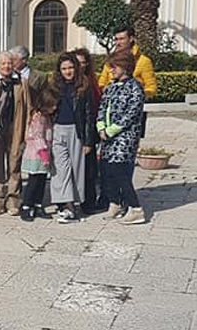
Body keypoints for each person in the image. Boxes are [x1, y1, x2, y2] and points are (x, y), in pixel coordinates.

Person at [97, 50, 147, 224]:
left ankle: (135, 208)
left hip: (125, 137)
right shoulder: (111, 87)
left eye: (114, 66)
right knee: (106, 170)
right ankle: (115, 203)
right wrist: (101, 126)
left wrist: (111, 130)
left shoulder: (135, 87)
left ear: (125, 67)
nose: (111, 70)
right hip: (107, 137)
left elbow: (131, 114)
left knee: (120, 172)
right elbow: (102, 107)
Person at [49, 52, 96, 223]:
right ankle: (64, 203)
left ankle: (72, 205)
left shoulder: (84, 87)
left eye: (70, 68)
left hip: (76, 132)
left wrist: (88, 141)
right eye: (64, 68)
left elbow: (89, 114)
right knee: (60, 168)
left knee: (76, 169)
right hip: (58, 130)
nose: (67, 71)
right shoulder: (54, 86)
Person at [0, 52, 31, 216]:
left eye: (9, 63)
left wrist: (27, 131)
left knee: (14, 165)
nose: (6, 66)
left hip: (15, 129)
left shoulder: (21, 83)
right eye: (3, 63)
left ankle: (13, 199)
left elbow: (28, 108)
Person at [20, 88, 56, 221]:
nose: (54, 107)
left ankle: (38, 204)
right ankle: (26, 206)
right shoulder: (38, 117)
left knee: (41, 181)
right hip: (37, 155)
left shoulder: (47, 117)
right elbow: (36, 136)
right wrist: (43, 152)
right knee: (33, 181)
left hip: (45, 154)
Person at [74, 47, 103, 213]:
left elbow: (92, 111)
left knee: (89, 169)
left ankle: (89, 201)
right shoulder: (67, 82)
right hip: (72, 130)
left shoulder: (90, 83)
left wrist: (89, 138)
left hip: (88, 131)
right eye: (77, 63)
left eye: (83, 63)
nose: (80, 67)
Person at [98, 26, 157, 99]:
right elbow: (101, 83)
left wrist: (135, 95)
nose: (118, 43)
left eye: (121, 39)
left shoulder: (143, 61)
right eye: (116, 39)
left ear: (131, 39)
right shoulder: (111, 60)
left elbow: (151, 87)